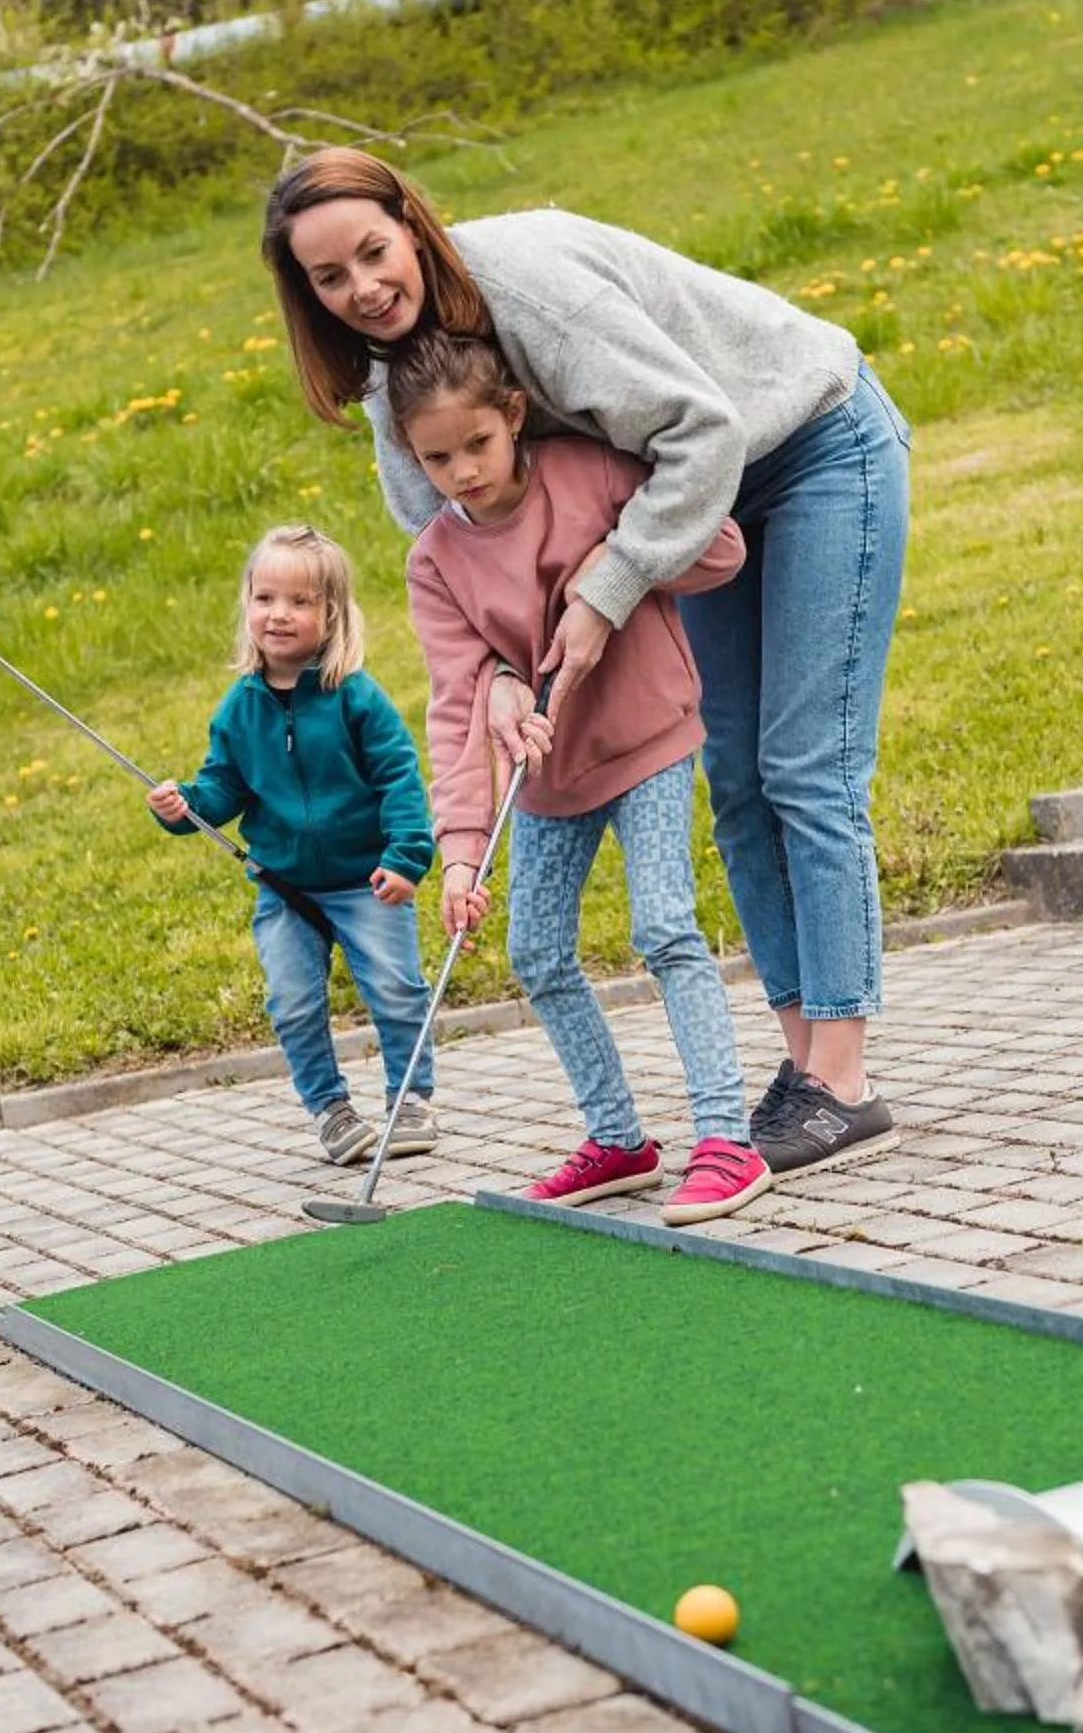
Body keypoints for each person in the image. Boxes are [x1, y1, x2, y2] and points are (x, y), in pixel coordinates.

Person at [262, 149, 910, 1182]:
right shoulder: (398, 389)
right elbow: (460, 558)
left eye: (373, 253)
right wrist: (505, 675)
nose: (363, 289)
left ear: (409, 221)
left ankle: (841, 1082)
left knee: (804, 768)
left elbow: (707, 431)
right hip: (682, 514)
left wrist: (607, 592)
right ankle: (800, 1069)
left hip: (804, 447)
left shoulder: (527, 294)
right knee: (738, 784)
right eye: (329, 279)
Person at [392, 332, 766, 1225]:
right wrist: (460, 854)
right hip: (547, 775)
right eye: (435, 458)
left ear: (513, 415)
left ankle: (727, 1137)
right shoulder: (434, 561)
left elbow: (723, 552)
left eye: (475, 445)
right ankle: (618, 1140)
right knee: (537, 953)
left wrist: (620, 558)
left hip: (647, 740)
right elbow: (455, 704)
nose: (461, 473)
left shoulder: (591, 472)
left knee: (666, 926)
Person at [149, 526, 441, 1165]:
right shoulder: (238, 710)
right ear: (247, 605)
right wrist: (185, 808)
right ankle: (331, 1111)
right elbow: (222, 790)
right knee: (292, 999)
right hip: (285, 886)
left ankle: (411, 1100)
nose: (279, 614)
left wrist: (406, 857)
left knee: (396, 988)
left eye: (300, 602)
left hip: (368, 879)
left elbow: (400, 779)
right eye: (265, 598)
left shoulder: (357, 699)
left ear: (331, 615)